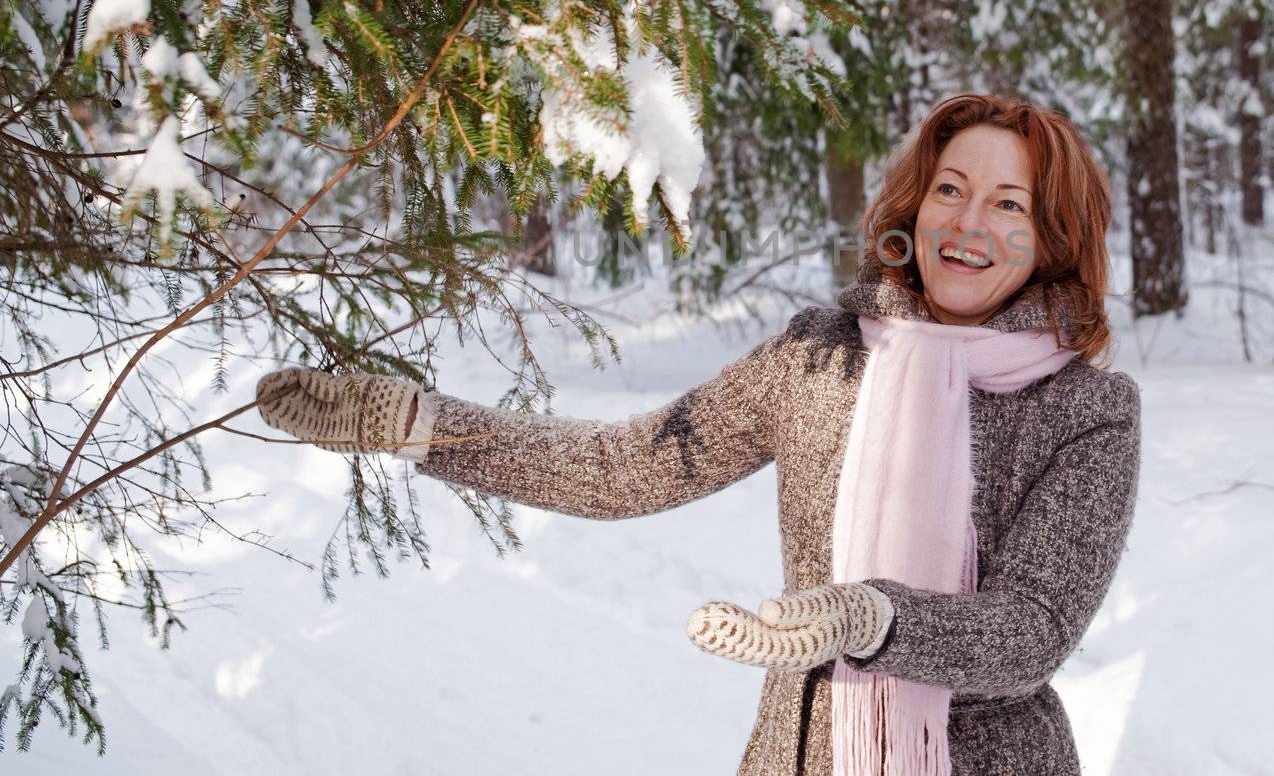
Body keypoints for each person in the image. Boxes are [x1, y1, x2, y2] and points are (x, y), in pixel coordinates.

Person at [257, 92, 1142, 776]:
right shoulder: (820, 357)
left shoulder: (1085, 412)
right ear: (915, 207)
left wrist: (868, 615)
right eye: (950, 188)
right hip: (799, 754)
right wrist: (430, 426)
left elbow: (1033, 630)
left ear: (1054, 235)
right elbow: (630, 465)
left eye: (1009, 204)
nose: (968, 222)